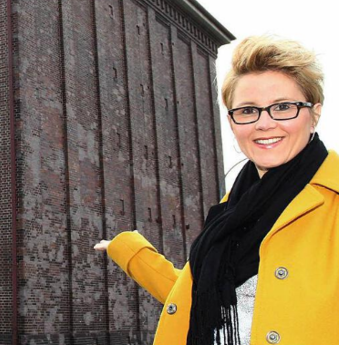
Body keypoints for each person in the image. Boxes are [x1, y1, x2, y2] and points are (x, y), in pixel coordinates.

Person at [94, 35, 334, 344]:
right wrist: (128, 251)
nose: (264, 123)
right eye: (248, 110)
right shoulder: (230, 210)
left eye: (283, 107)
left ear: (314, 113)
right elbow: (200, 299)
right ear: (233, 123)